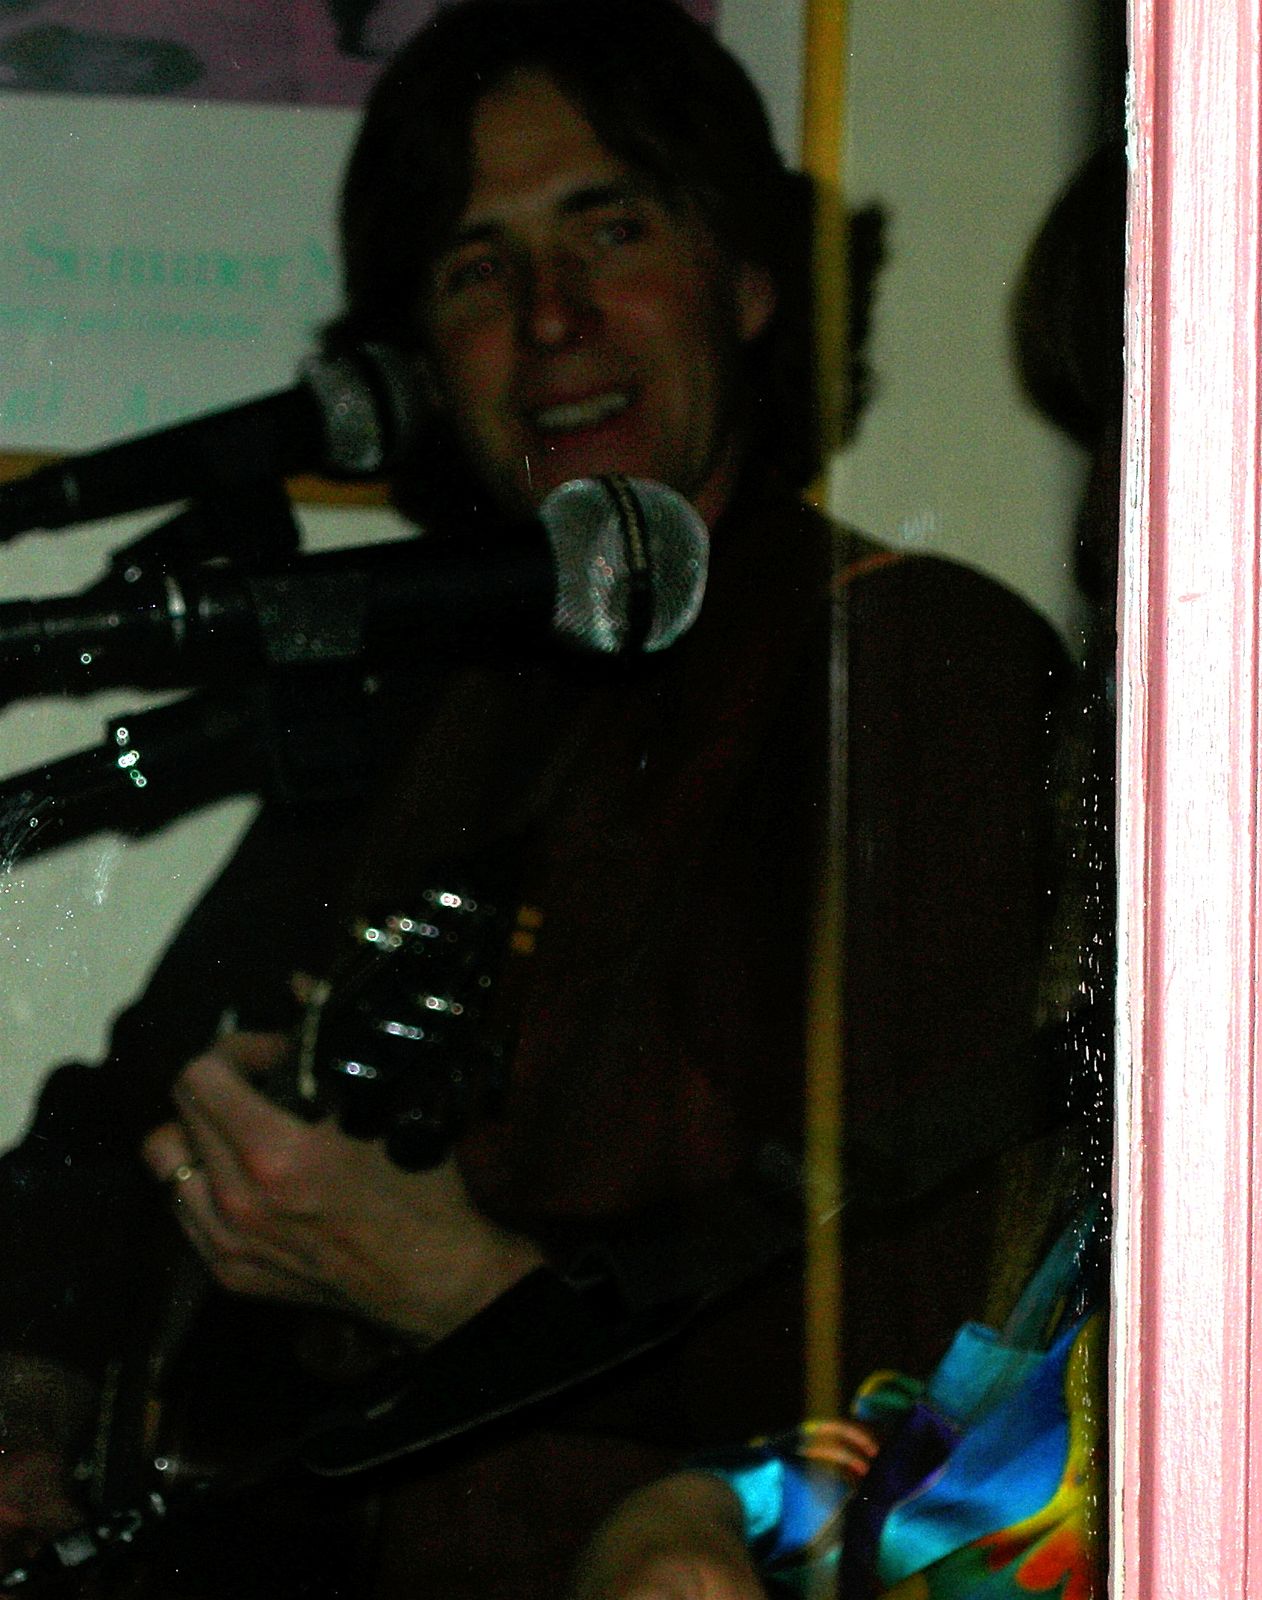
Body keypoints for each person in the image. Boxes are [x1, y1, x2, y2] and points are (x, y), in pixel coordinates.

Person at [0, 3, 1068, 1596]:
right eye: (476, 270)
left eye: (609, 231)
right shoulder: (438, 670)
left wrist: (463, 1288)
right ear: (423, 368)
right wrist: (30, 1394)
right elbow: (122, 1107)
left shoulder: (910, 668)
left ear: (749, 282)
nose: (551, 316)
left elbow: (970, 1337)